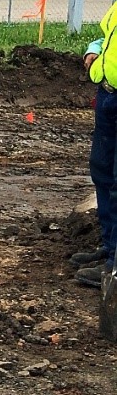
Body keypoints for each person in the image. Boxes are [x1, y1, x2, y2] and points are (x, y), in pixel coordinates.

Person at [77, 25, 117, 287]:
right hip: (108, 96)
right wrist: (95, 49)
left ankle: (115, 266)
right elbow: (109, 35)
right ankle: (111, 247)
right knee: (102, 173)